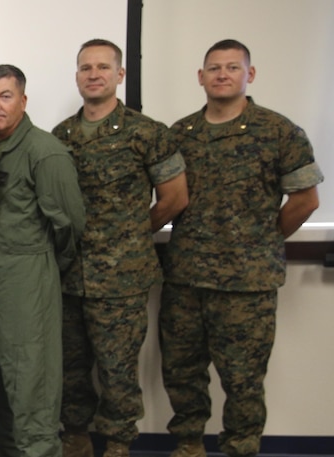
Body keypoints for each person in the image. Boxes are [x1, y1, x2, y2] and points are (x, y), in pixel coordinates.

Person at [159, 39, 323, 457]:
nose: (223, 74)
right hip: (186, 278)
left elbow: (305, 200)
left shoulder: (279, 131)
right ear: (201, 77)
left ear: (250, 75)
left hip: (247, 285)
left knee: (244, 379)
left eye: (233, 67)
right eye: (214, 68)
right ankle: (189, 446)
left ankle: (240, 449)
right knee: (182, 372)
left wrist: (263, 240)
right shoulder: (180, 134)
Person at [50, 39, 189, 457]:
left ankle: (118, 443)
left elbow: (175, 198)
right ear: (77, 76)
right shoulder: (61, 135)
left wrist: (132, 232)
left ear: (120, 75)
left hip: (122, 278)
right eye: (85, 68)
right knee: (70, 367)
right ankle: (75, 436)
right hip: (69, 274)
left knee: (117, 369)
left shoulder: (147, 133)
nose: (94, 74)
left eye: (103, 68)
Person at [0, 64, 85, 457]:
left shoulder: (44, 151)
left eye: (5, 96)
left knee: (30, 379)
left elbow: (70, 223)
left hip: (26, 279)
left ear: (23, 100)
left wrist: (40, 267)